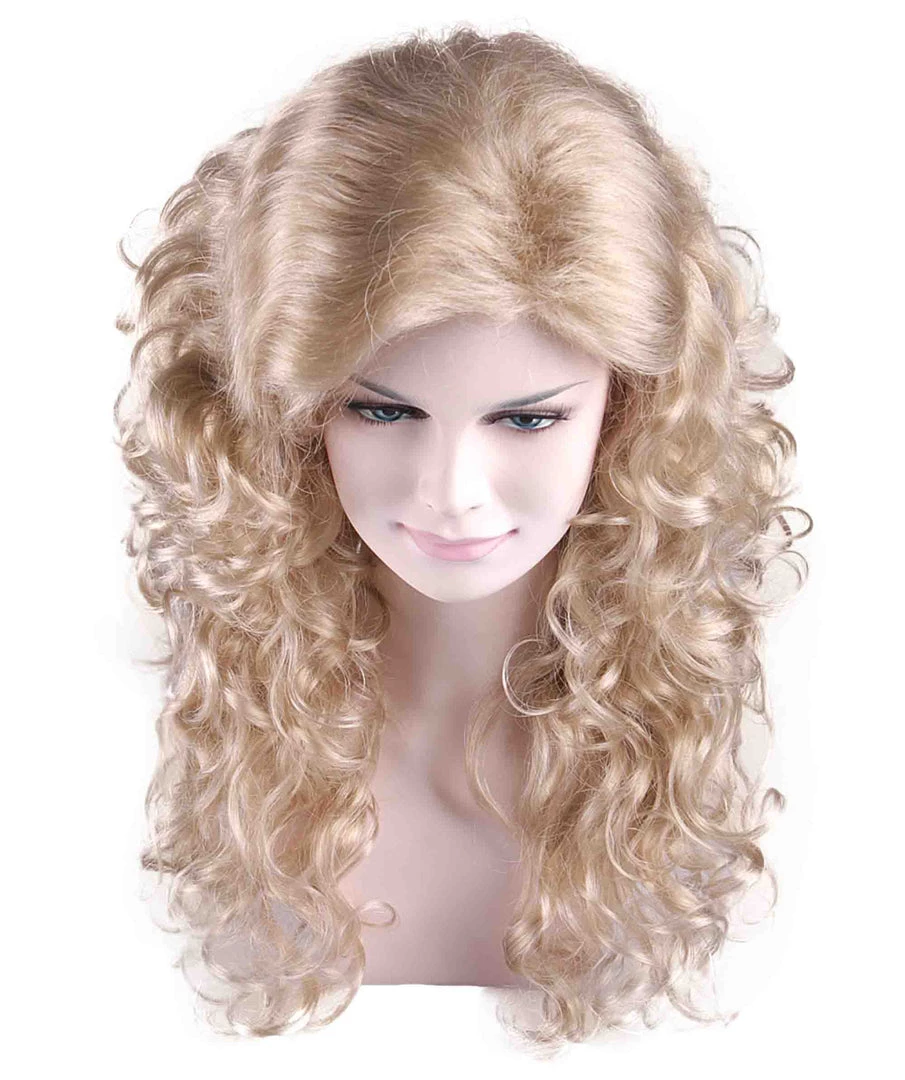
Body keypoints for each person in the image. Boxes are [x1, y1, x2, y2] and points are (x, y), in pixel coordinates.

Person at [114, 24, 810, 1056]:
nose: (449, 495)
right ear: (291, 412)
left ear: (629, 408)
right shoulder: (159, 728)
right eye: (381, 411)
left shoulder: (758, 765)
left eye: (526, 419)